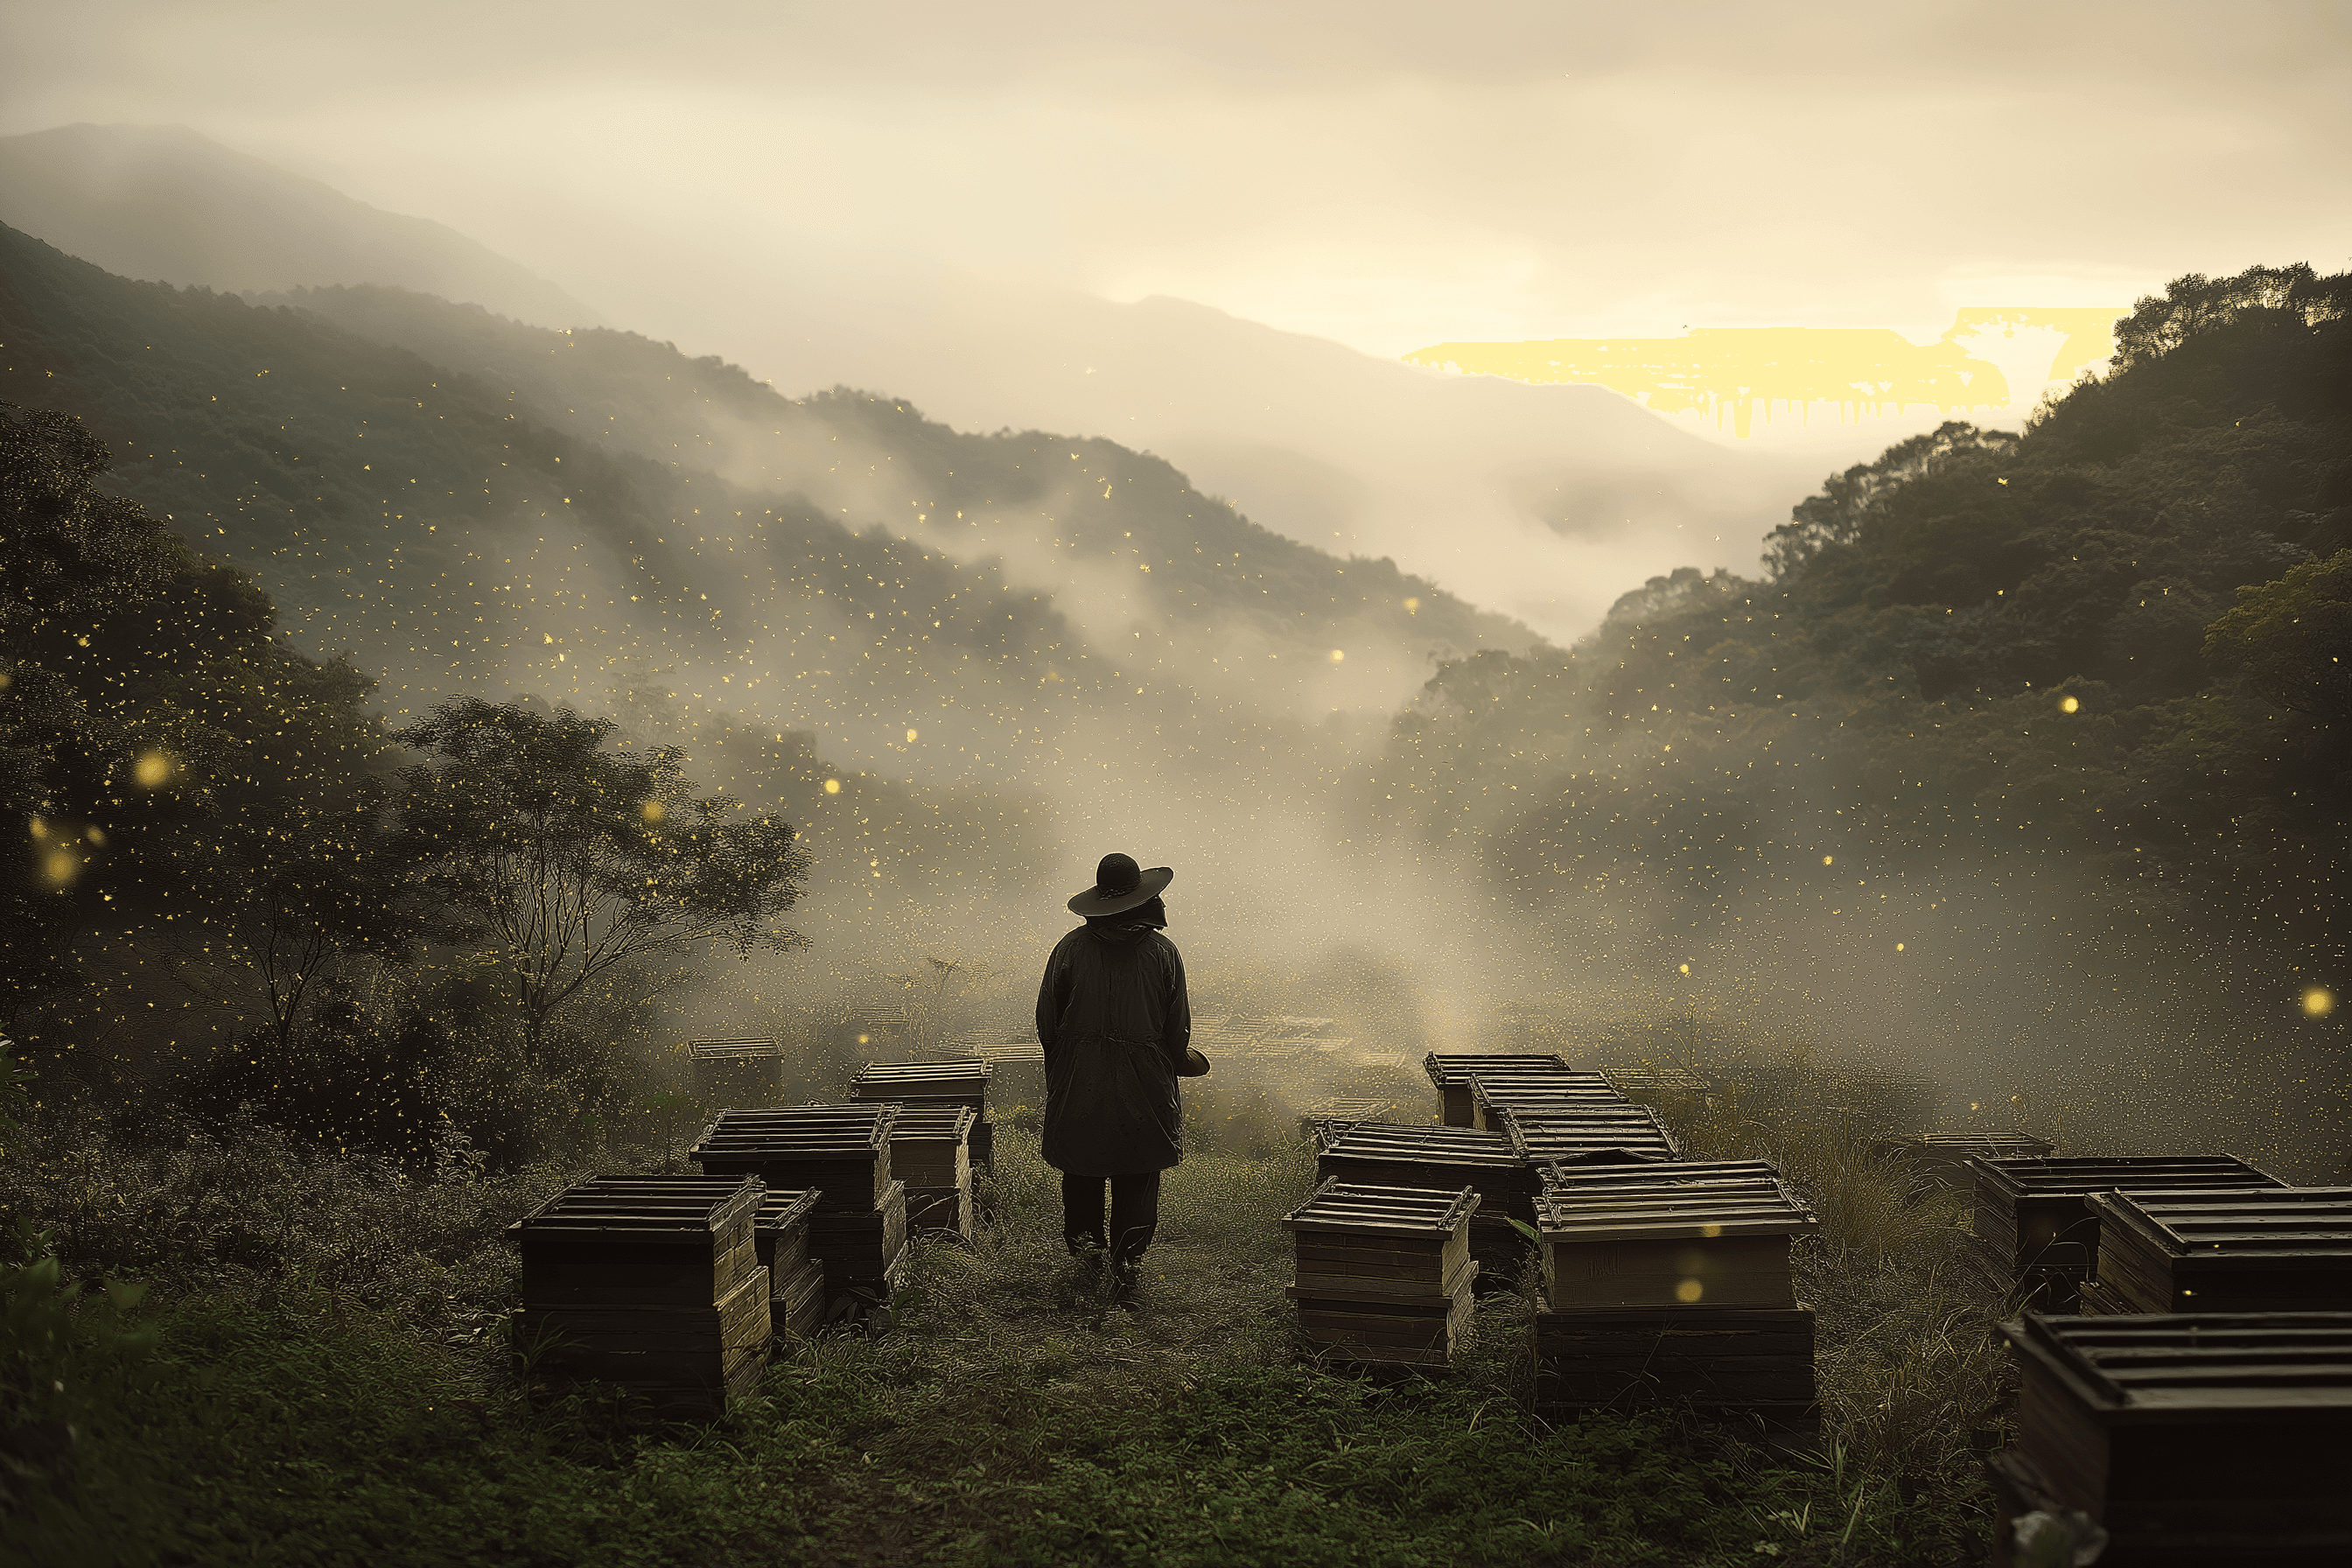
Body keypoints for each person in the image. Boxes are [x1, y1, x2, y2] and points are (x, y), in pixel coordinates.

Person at [1034, 851, 1206, 1295]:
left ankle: (1088, 1261)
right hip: (1145, 1082)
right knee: (1138, 1172)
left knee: (1082, 1171)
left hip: (1080, 1078)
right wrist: (1174, 1061)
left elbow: (1047, 1025)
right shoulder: (1163, 953)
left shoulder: (1069, 949)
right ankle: (1127, 1265)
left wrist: (1069, 1069)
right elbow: (1177, 1030)